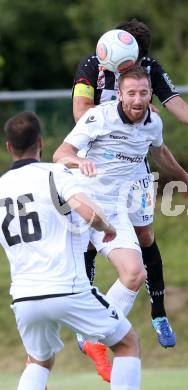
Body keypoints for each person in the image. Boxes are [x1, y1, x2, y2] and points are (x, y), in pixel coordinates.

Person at [72, 18, 188, 371]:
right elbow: (79, 112)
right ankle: (87, 317)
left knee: (146, 235)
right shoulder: (94, 63)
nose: (131, 70)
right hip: (96, 165)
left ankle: (158, 313)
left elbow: (177, 107)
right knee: (89, 238)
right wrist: (117, 120)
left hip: (134, 168)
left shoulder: (149, 68)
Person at [54, 65, 188, 377]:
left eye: (143, 92)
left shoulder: (153, 123)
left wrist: (185, 177)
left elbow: (161, 151)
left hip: (115, 210)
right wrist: (78, 159)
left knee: (134, 274)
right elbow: (61, 153)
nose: (137, 99)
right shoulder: (100, 117)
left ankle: (90, 333)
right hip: (84, 205)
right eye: (131, 93)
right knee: (62, 282)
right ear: (120, 94)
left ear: (150, 94)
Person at [0, 111, 142, 390]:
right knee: (127, 344)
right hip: (67, 288)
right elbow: (87, 210)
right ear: (41, 143)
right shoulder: (54, 173)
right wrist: (105, 227)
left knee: (39, 361)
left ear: (9, 147)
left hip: (25, 297)